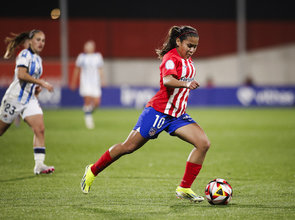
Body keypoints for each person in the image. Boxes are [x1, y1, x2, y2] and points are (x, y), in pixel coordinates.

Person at [80, 26, 211, 203]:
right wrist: (187, 85)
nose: (192, 49)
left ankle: (184, 187)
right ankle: (92, 170)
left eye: (195, 46)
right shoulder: (170, 58)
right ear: (178, 41)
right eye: (189, 45)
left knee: (203, 143)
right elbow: (167, 80)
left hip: (177, 115)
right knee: (128, 147)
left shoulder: (188, 59)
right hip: (158, 112)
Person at [0, 30, 55, 175]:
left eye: (43, 40)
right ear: (30, 41)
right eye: (38, 40)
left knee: (39, 129)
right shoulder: (24, 55)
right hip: (15, 98)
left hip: (29, 99)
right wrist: (42, 82)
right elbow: (21, 75)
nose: (41, 43)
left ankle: (39, 165)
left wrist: (35, 89)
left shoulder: (38, 58)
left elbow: (29, 79)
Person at [71, 40, 106, 129]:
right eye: (87, 46)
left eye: (90, 46)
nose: (89, 48)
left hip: (95, 83)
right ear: (84, 48)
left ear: (93, 48)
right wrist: (74, 81)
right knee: (87, 100)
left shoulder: (98, 56)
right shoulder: (81, 57)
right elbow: (77, 69)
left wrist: (103, 80)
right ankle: (88, 120)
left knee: (96, 103)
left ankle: (87, 112)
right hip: (85, 82)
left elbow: (100, 69)